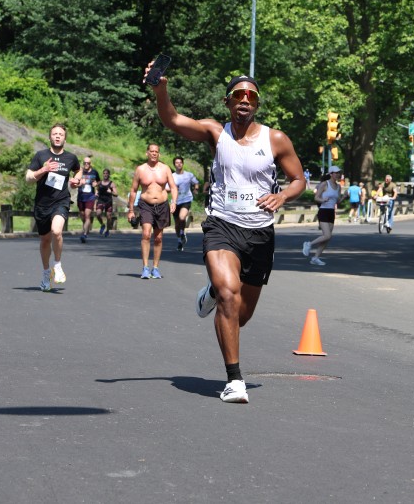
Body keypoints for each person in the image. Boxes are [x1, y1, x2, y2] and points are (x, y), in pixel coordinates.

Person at [147, 69, 305, 404]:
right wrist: (161, 90)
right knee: (229, 298)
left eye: (251, 96)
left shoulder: (276, 139)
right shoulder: (215, 132)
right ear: (228, 101)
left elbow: (298, 180)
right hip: (222, 225)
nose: (245, 100)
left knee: (241, 316)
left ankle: (211, 292)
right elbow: (172, 119)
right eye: (238, 95)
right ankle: (234, 380)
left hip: (259, 233)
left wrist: (282, 196)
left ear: (257, 104)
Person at [25, 124, 81, 291]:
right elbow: (28, 179)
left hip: (61, 201)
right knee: (45, 240)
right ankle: (46, 273)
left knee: (56, 231)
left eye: (60, 134)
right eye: (54, 134)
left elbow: (78, 171)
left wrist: (76, 180)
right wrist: (44, 169)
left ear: (65, 139)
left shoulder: (71, 158)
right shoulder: (40, 155)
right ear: (50, 137)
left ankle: (57, 264)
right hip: (42, 204)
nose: (57, 136)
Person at [127, 144, 177, 279]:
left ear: (159, 154)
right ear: (147, 153)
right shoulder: (141, 169)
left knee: (158, 238)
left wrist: (174, 201)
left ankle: (155, 267)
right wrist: (131, 210)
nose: (154, 153)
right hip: (146, 205)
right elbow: (133, 190)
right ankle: (145, 267)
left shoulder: (165, 168)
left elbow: (173, 187)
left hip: (162, 205)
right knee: (146, 234)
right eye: (152, 151)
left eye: (156, 151)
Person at [303, 167, 341, 265]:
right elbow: (316, 198)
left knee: (327, 238)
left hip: (331, 212)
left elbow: (337, 201)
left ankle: (315, 258)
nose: (338, 174)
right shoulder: (325, 184)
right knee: (327, 235)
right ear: (331, 174)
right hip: (323, 211)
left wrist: (344, 196)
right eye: (336, 173)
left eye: (339, 173)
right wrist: (323, 200)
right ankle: (309, 244)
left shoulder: (338, 186)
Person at [171, 156, 200, 252]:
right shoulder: (172, 176)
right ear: (174, 165)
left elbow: (196, 183)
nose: (179, 164)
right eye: (177, 163)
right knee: (177, 224)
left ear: (182, 164)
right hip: (175, 201)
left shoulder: (189, 175)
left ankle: (182, 232)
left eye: (180, 162)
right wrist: (173, 189)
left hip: (186, 199)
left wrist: (196, 189)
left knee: (182, 217)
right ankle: (179, 241)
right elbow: (167, 188)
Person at [76, 157, 100, 243]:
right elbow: (74, 183)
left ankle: (84, 234)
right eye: (85, 163)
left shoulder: (94, 172)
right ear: (83, 163)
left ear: (90, 164)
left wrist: (96, 184)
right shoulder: (79, 172)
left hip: (90, 197)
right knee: (82, 215)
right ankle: (86, 227)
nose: (86, 164)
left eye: (88, 163)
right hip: (81, 197)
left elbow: (99, 181)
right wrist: (79, 183)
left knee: (87, 215)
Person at [95, 168, 118, 236]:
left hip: (108, 201)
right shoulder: (100, 183)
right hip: (101, 200)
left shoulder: (112, 184)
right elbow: (97, 189)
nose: (105, 175)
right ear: (103, 174)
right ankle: (102, 224)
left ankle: (107, 230)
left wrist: (111, 192)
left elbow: (116, 194)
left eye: (106, 173)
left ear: (109, 175)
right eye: (104, 173)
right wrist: (96, 193)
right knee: (98, 214)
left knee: (108, 217)